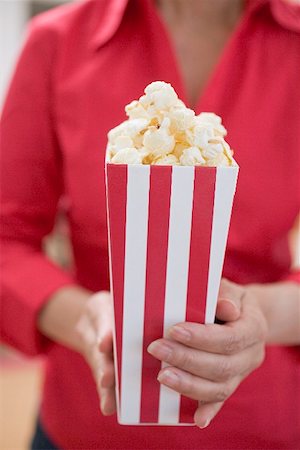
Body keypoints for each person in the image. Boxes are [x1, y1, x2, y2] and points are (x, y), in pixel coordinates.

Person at [1, 0, 299, 449]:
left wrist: (265, 317)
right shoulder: (57, 41)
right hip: (89, 422)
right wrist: (83, 317)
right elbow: (7, 238)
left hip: (258, 425)